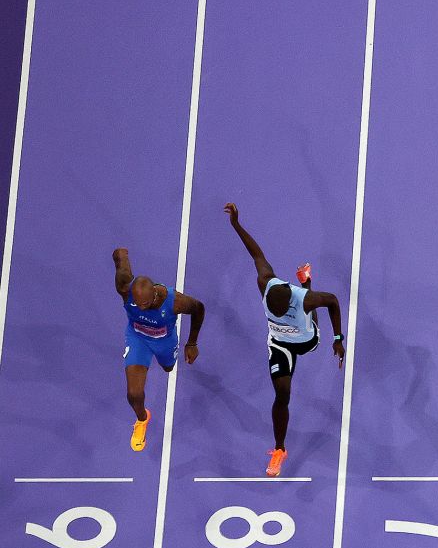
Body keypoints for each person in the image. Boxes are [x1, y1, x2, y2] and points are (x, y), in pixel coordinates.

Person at [224, 203, 345, 476]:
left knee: (312, 315)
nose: (278, 313)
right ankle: (279, 449)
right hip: (279, 344)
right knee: (282, 393)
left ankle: (306, 281)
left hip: (306, 340)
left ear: (290, 300)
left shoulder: (304, 301)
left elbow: (334, 302)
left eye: (282, 312)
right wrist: (236, 225)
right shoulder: (265, 283)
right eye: (274, 311)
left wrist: (338, 338)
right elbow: (256, 253)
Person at [113, 246, 205, 452]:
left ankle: (166, 361)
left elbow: (199, 309)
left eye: (145, 303)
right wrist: (121, 254)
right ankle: (142, 419)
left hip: (164, 341)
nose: (142, 307)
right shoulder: (124, 288)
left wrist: (192, 343)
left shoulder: (175, 301)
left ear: (154, 292)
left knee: (168, 368)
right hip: (137, 339)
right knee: (134, 394)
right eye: (138, 304)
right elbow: (120, 261)